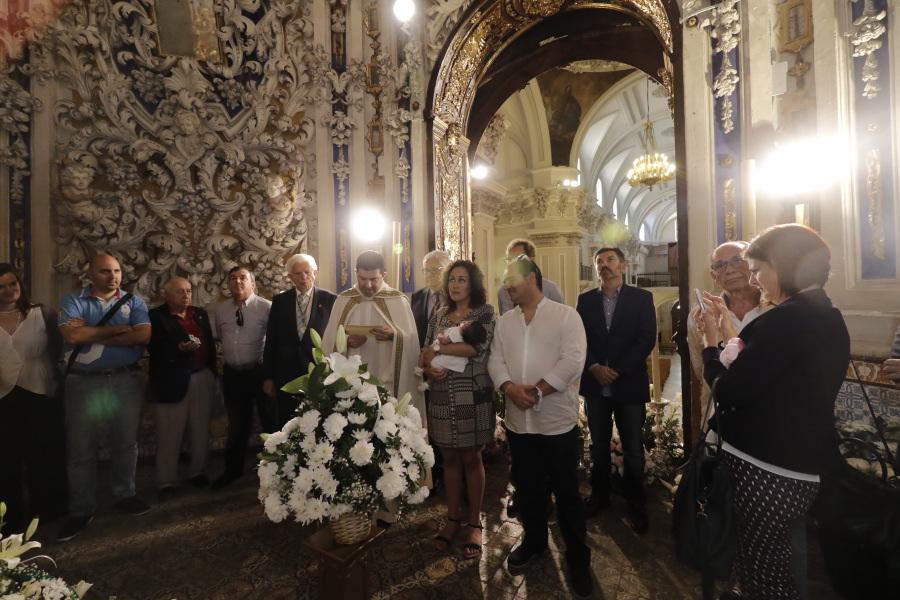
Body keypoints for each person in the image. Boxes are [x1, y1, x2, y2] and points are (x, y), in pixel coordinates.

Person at [696, 224, 850, 600]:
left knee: (768, 572)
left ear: (783, 265)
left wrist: (711, 346)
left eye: (759, 269)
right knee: (766, 559)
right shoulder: (829, 315)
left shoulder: (786, 319)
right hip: (798, 462)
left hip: (769, 469)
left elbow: (730, 390)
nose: (756, 278)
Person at [488, 256, 592, 598]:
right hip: (520, 424)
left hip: (556, 423)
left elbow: (573, 360)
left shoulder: (565, 316)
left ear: (532, 278)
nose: (507, 286)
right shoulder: (505, 322)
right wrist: (508, 388)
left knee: (566, 493)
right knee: (529, 488)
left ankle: (578, 559)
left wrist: (537, 390)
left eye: (511, 279)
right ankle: (534, 543)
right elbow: (495, 360)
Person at [56, 253, 153, 542]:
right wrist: (114, 330)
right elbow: (71, 336)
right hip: (82, 385)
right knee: (80, 448)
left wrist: (90, 332)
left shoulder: (134, 302)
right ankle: (81, 509)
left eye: (117, 271)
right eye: (105, 271)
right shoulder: (72, 300)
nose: (113, 276)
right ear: (90, 273)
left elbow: (143, 336)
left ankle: (125, 494)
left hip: (124, 380)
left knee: (125, 442)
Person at [419, 260, 495, 559]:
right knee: (448, 458)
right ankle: (452, 519)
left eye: (462, 280)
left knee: (471, 458)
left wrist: (438, 350)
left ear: (472, 284)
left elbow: (477, 348)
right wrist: (428, 365)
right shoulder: (438, 315)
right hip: (440, 394)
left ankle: (475, 522)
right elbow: (425, 350)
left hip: (472, 395)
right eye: (452, 279)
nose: (455, 285)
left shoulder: (484, 313)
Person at [577, 246, 656, 534]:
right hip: (596, 386)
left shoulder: (641, 298)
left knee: (633, 449)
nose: (603, 265)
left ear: (622, 265)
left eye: (610, 260)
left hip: (629, 384)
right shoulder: (584, 301)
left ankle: (636, 503)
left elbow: (646, 338)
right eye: (599, 261)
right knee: (597, 446)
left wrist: (618, 369)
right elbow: (578, 339)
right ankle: (600, 496)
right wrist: (594, 366)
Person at [0, 263, 65, 534]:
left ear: (20, 284)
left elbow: (59, 348)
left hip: (39, 393)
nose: (8, 290)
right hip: (3, 397)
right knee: (6, 461)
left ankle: (47, 511)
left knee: (42, 455)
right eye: (0, 286)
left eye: (12, 284)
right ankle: (10, 518)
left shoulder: (42, 312)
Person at [322, 251, 424, 421]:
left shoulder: (398, 301)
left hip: (388, 383)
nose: (368, 285)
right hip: (351, 383)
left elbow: (413, 344)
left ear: (384, 274)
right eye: (362, 279)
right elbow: (328, 342)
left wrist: (395, 336)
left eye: (374, 279)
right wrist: (346, 342)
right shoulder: (343, 300)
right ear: (356, 273)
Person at [147, 277, 217, 502]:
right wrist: (179, 349)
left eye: (188, 291)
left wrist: (213, 373)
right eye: (180, 292)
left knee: (200, 429)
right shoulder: (155, 317)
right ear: (166, 294)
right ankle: (166, 480)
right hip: (171, 381)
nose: (186, 295)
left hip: (201, 376)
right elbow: (154, 347)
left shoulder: (199, 314)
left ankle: (197, 471)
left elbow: (210, 345)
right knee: (169, 433)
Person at [209, 266, 272, 490]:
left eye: (243, 278)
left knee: (269, 423)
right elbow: (218, 337)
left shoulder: (266, 308)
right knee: (237, 425)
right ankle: (232, 471)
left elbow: (273, 343)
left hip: (259, 373)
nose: (238, 282)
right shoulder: (221, 309)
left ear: (253, 283)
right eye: (233, 278)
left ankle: (275, 472)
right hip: (233, 375)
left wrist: (270, 376)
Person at [686, 242, 763, 424]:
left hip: (766, 416)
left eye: (737, 260)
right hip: (718, 420)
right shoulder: (701, 315)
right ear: (714, 276)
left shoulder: (775, 310)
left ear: (753, 264)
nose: (729, 270)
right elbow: (700, 368)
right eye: (720, 265)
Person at [263, 254, 337, 428]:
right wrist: (268, 377)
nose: (303, 277)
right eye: (298, 274)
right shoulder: (280, 301)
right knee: (288, 423)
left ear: (315, 273)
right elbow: (271, 339)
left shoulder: (330, 300)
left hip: (319, 373)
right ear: (290, 277)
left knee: (319, 422)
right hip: (286, 374)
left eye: (307, 272)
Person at [497, 239, 564, 315]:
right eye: (510, 259)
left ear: (531, 260)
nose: (513, 263)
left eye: (517, 258)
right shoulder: (503, 292)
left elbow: (561, 319)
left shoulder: (551, 289)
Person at [411, 250, 451, 348]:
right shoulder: (417, 297)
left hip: (449, 356)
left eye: (436, 270)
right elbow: (413, 331)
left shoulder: (457, 296)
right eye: (426, 270)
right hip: (421, 357)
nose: (430, 274)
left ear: (449, 270)